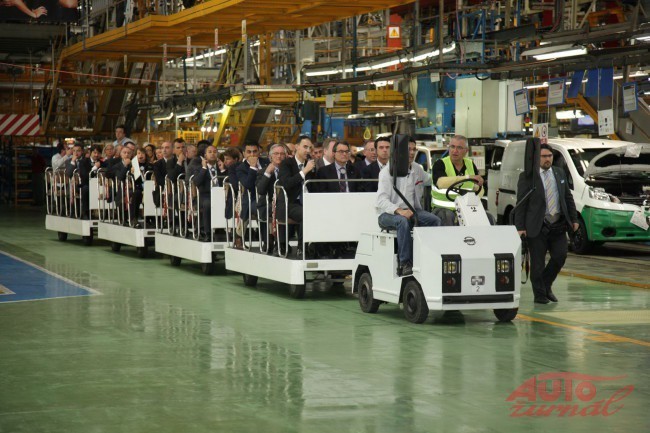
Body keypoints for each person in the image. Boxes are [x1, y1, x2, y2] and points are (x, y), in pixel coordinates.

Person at [515, 143, 579, 304]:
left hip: (558, 225)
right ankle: (540, 295)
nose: (547, 159)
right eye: (544, 156)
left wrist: (574, 219)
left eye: (549, 156)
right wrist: (520, 227)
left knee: (560, 256)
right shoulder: (528, 177)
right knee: (537, 265)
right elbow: (521, 203)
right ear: (537, 158)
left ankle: (545, 285)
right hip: (537, 226)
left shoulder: (559, 173)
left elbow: (568, 197)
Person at [376, 139, 441, 276]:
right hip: (388, 214)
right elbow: (381, 200)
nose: (411, 153)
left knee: (435, 220)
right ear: (399, 152)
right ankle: (405, 263)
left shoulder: (417, 169)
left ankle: (430, 257)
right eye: (408, 150)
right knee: (403, 221)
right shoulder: (387, 172)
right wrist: (399, 211)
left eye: (414, 149)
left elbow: (430, 179)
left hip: (413, 211)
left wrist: (445, 176)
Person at [431, 135, 484, 226]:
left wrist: (474, 200)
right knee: (448, 216)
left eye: (459, 148)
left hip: (466, 209)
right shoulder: (440, 164)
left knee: (488, 217)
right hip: (442, 209)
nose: (455, 151)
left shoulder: (470, 164)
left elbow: (479, 188)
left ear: (466, 151)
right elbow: (441, 183)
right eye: (452, 147)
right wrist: (467, 177)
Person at [277, 136, 317, 256]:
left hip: (308, 201)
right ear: (296, 147)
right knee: (305, 213)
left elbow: (314, 186)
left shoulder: (311, 165)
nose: (308, 150)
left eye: (310, 148)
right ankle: (302, 247)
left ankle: (320, 246)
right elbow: (287, 183)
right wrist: (304, 171)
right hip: (290, 202)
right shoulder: (286, 163)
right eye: (305, 147)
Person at [256, 143, 287, 254]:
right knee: (276, 209)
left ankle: (281, 243)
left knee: (284, 208)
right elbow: (260, 190)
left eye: (282, 154)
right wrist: (267, 173)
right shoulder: (262, 172)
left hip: (285, 203)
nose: (279, 156)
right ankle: (270, 241)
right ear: (270, 157)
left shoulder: (288, 171)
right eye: (276, 154)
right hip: (267, 203)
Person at [236, 142, 270, 223]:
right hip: (253, 198)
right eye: (249, 152)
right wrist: (252, 167)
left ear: (259, 152)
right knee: (263, 209)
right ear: (244, 154)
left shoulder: (267, 162)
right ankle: (265, 231)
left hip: (270, 195)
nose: (252, 154)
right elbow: (248, 185)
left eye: (255, 151)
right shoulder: (241, 168)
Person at [192, 145, 220, 241]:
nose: (212, 154)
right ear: (205, 155)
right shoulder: (199, 168)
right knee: (208, 204)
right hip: (205, 195)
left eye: (215, 152)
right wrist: (204, 168)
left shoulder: (221, 166)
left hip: (220, 194)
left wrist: (223, 170)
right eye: (210, 152)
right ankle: (207, 232)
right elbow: (196, 182)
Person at [65, 143, 92, 218]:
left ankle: (85, 212)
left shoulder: (87, 160)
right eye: (74, 151)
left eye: (78, 151)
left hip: (84, 183)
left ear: (82, 151)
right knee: (73, 188)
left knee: (86, 189)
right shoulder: (68, 161)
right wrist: (73, 161)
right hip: (73, 184)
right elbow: (68, 174)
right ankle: (72, 211)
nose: (76, 153)